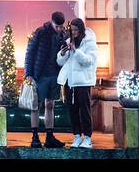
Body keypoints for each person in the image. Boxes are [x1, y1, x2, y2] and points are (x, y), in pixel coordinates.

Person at [23, 10, 68, 148]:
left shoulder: (63, 34)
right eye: (57, 26)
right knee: (35, 105)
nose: (59, 29)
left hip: (55, 75)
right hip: (40, 74)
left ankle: (49, 137)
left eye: (61, 26)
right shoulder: (41, 32)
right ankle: (35, 137)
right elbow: (30, 52)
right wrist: (28, 73)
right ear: (52, 22)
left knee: (50, 105)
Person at [56, 17, 98, 149]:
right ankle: (77, 136)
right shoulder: (69, 41)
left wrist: (76, 51)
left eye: (75, 30)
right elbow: (61, 62)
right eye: (71, 29)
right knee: (72, 110)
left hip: (83, 82)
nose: (73, 32)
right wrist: (62, 53)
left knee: (84, 110)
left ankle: (87, 138)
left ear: (81, 30)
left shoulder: (89, 42)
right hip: (71, 82)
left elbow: (89, 61)